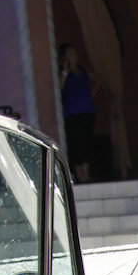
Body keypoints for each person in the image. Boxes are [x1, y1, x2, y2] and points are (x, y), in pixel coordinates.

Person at [58, 43, 97, 182]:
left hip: (87, 111)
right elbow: (59, 88)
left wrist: (91, 94)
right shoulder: (63, 72)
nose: (74, 56)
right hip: (72, 113)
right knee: (77, 143)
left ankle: (86, 173)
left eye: (74, 53)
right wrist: (65, 71)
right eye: (70, 53)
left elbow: (95, 82)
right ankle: (81, 174)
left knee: (86, 141)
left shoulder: (83, 69)